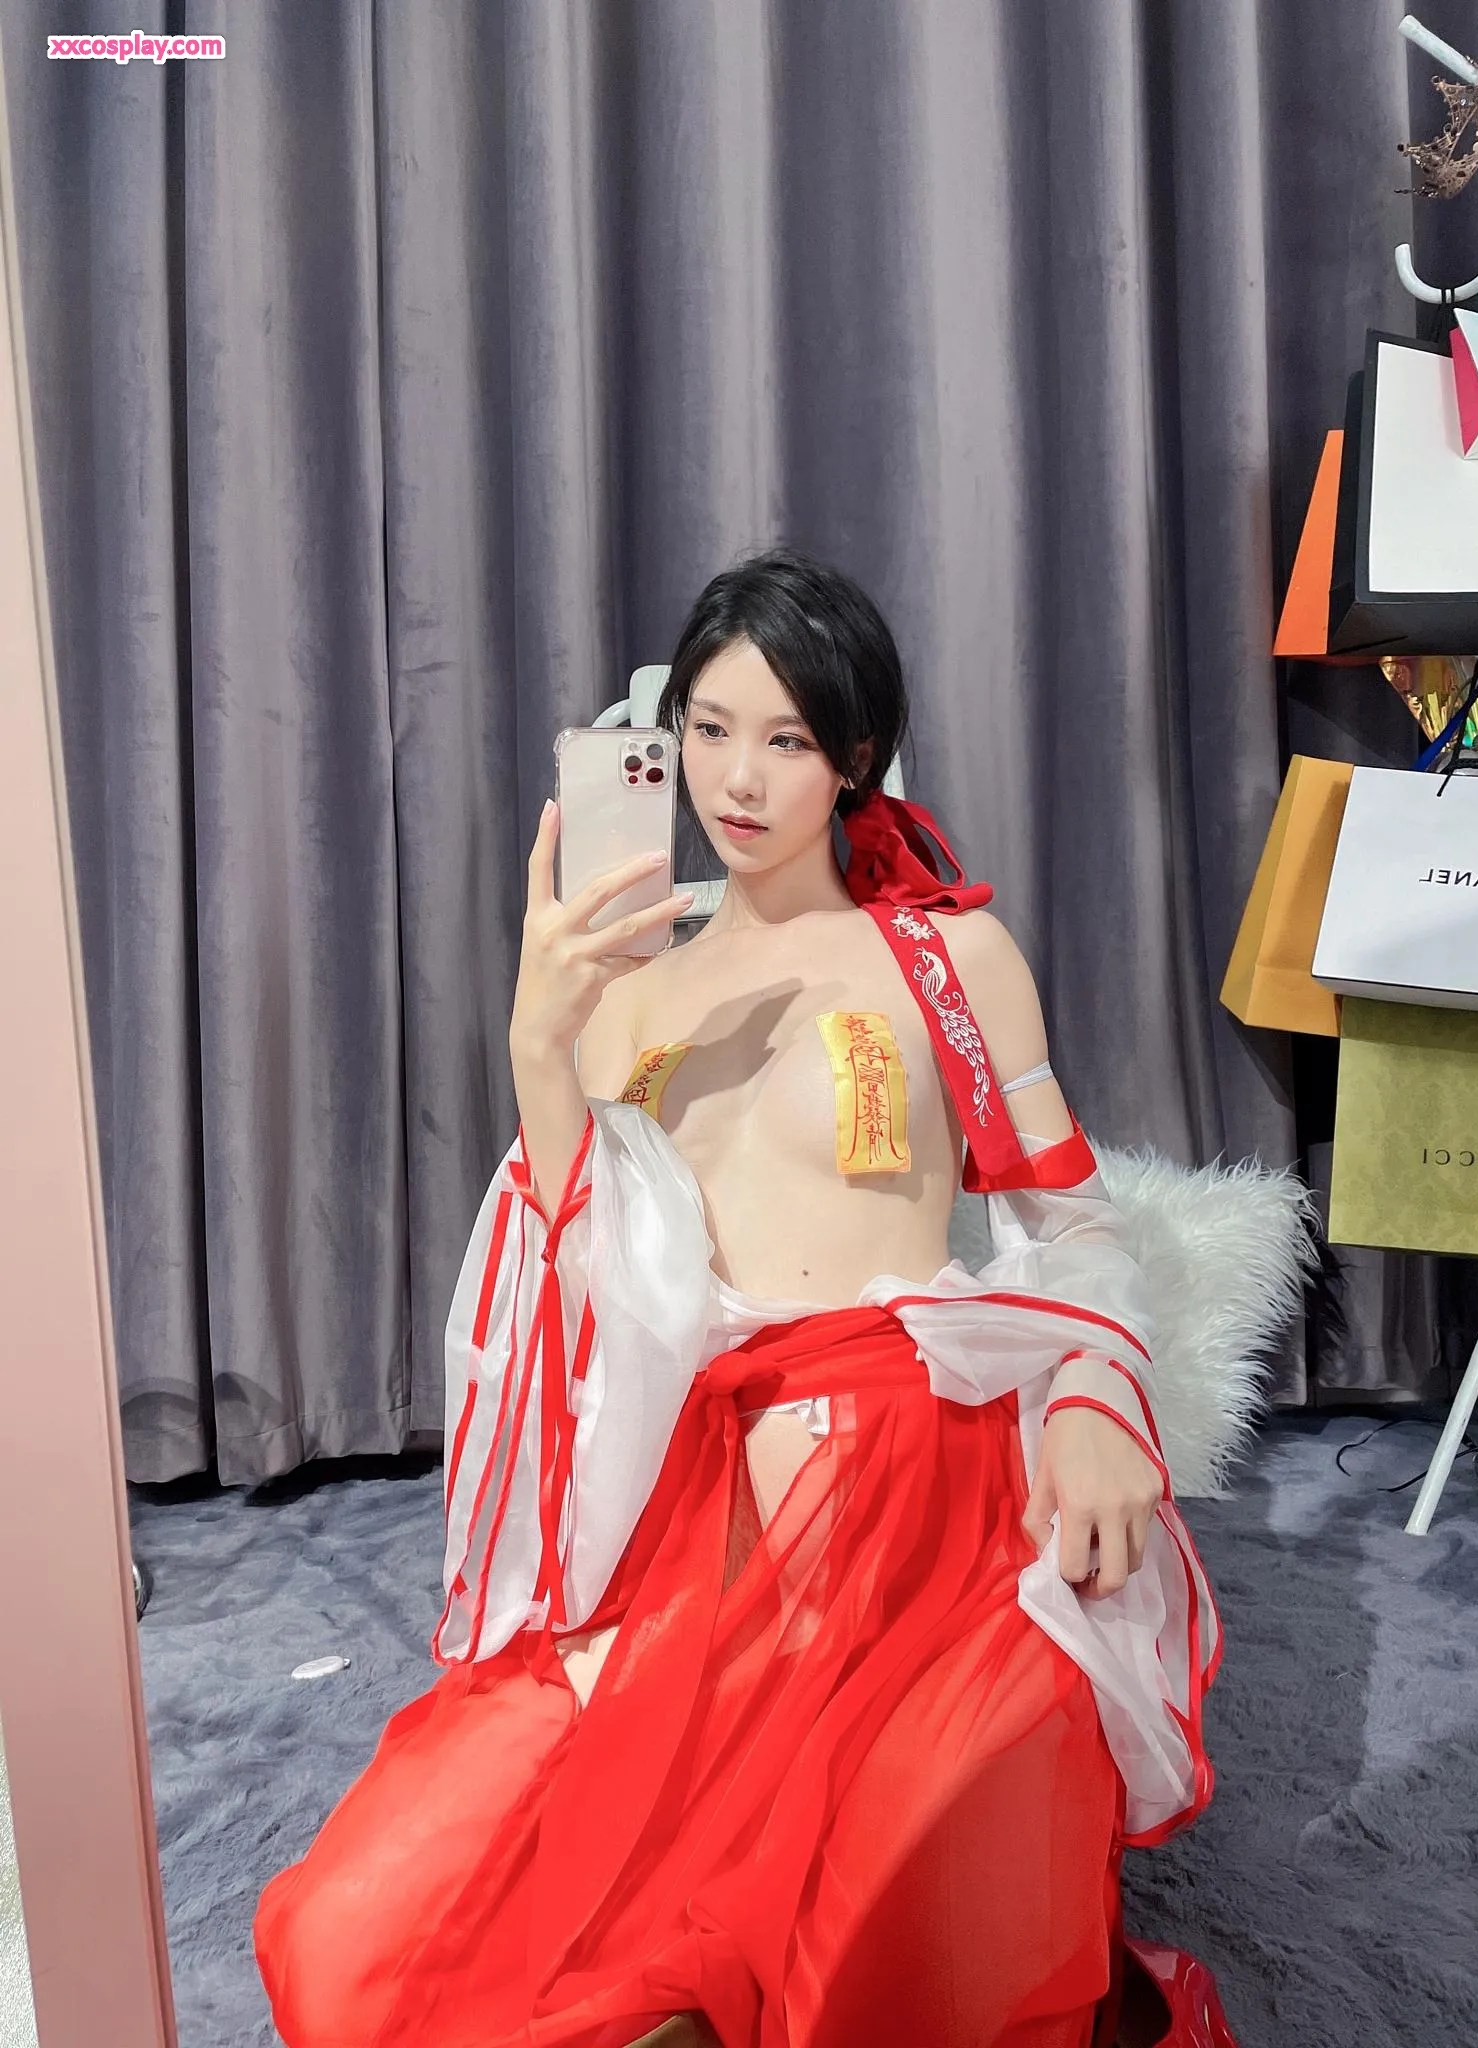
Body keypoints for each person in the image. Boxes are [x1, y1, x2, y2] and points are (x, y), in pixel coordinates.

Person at [254, 549, 1234, 2048]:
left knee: (884, 1941)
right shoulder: (629, 987)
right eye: (708, 729)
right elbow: (566, 1294)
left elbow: (1072, 1219)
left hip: (913, 1482)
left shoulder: (947, 955)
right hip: (690, 1511)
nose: (738, 778)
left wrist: (1101, 1393)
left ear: (855, 756)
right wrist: (538, 1046)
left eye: (787, 738)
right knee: (357, 1946)